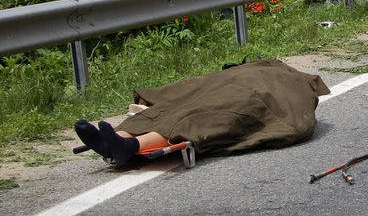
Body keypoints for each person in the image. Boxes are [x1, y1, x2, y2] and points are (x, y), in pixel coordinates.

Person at [74, 59, 330, 166]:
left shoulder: (290, 78)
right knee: (178, 108)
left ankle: (128, 144)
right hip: (228, 90)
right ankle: (115, 139)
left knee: (199, 118)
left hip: (253, 97)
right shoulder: (236, 72)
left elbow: (293, 113)